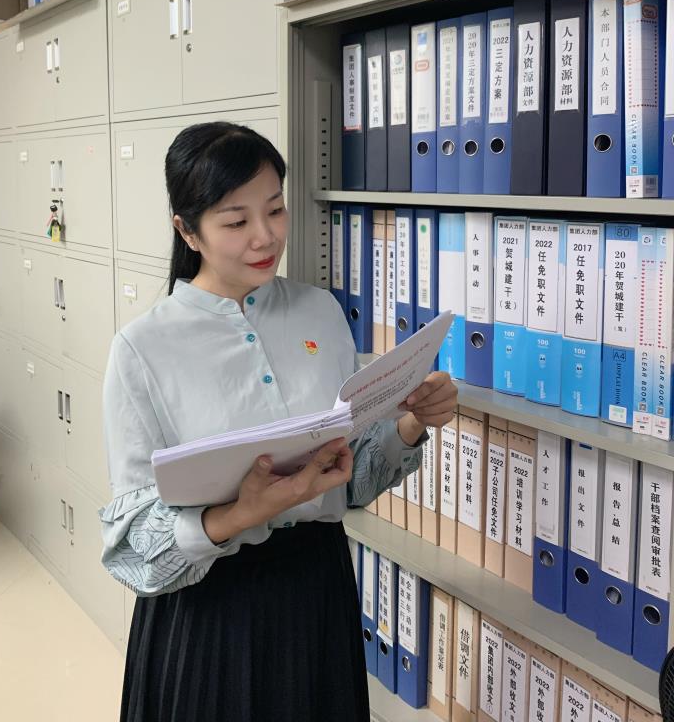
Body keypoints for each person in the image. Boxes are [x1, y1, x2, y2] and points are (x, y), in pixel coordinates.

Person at [100, 120, 458, 722]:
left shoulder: (320, 312)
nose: (265, 236)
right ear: (187, 230)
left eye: (275, 209)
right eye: (236, 221)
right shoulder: (142, 350)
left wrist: (409, 426)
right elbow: (134, 549)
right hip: (209, 609)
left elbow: (348, 482)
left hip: (316, 588)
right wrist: (239, 513)